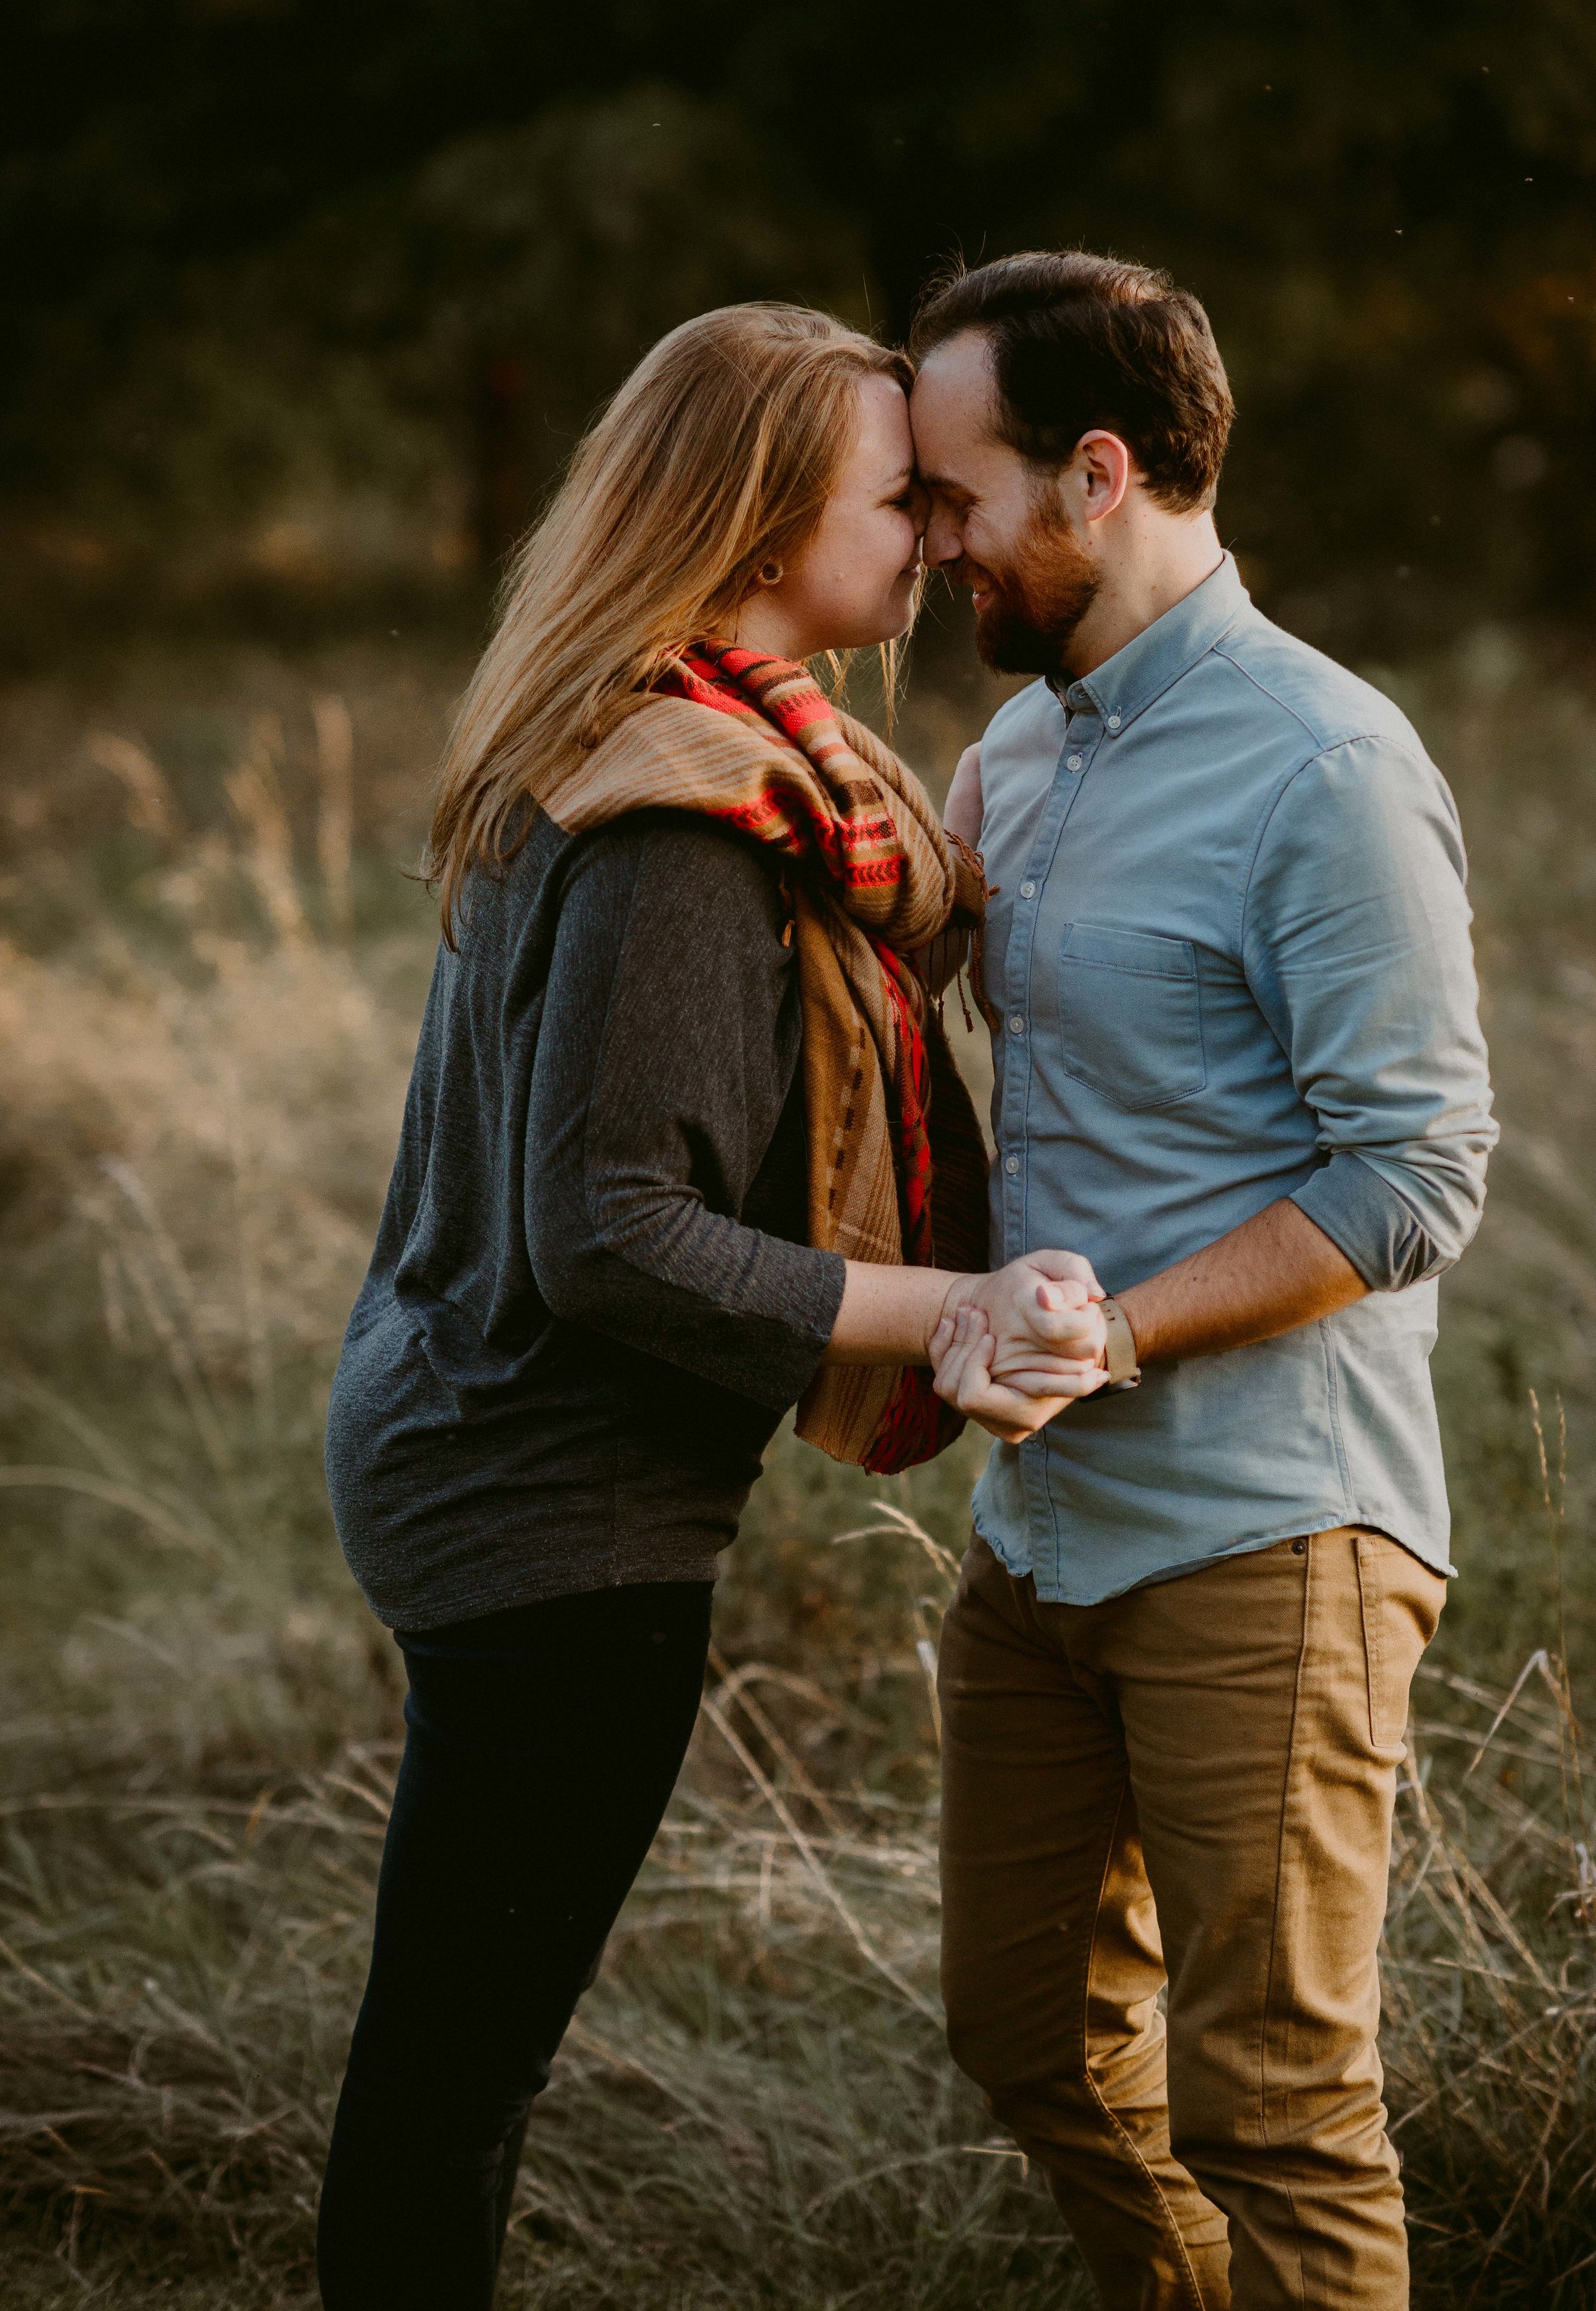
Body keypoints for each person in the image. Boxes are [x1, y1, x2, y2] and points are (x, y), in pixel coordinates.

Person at [316, 300, 1110, 2311]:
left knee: (453, 2051)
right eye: (894, 500)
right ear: (764, 532)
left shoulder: (684, 738)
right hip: (543, 1512)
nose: (932, 539)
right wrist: (955, 1299)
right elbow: (609, 1234)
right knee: (454, 2081)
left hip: (474, 1440)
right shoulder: (688, 814)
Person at [911, 251, 1498, 2311]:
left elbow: (1417, 1172)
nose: (931, 546)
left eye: (957, 496)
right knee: (1024, 2030)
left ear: (1096, 475)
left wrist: (1124, 1333)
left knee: (1273, 2101)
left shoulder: (1322, 765)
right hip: (1044, 1531)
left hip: (1267, 1528)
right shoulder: (1024, 748)